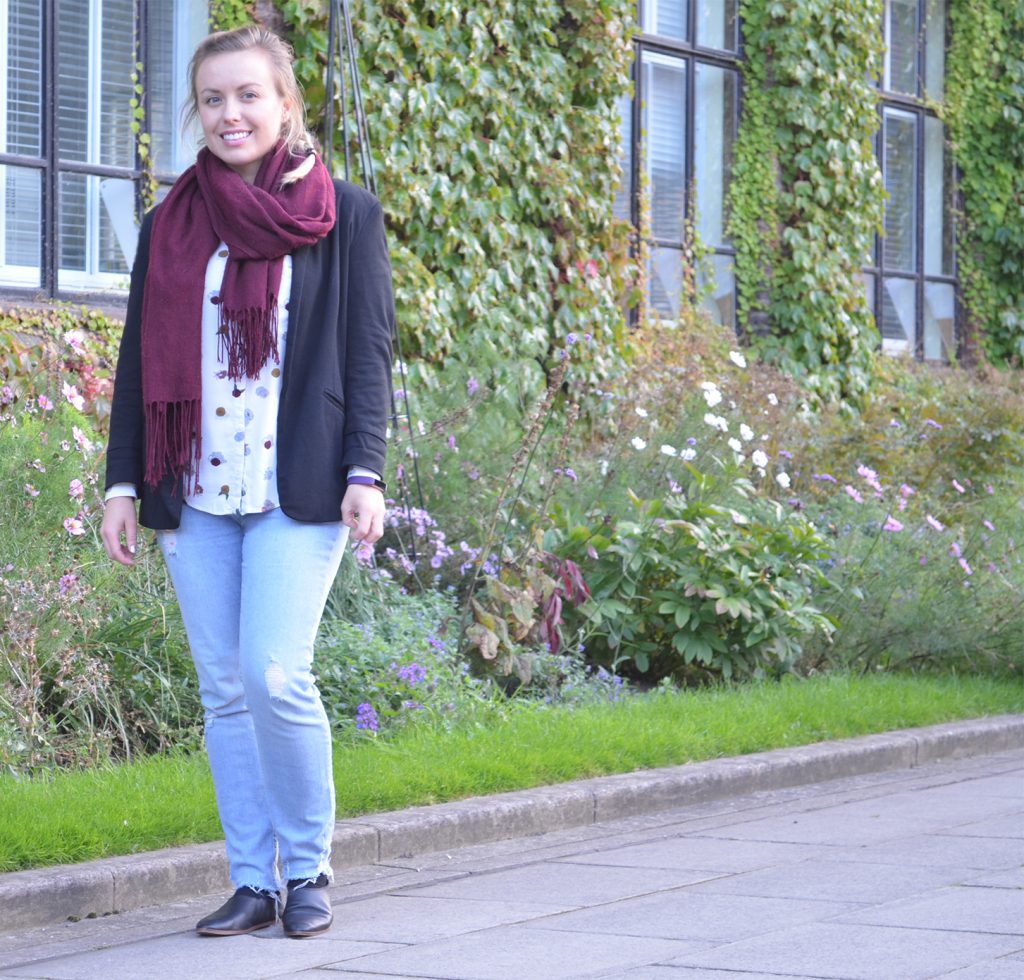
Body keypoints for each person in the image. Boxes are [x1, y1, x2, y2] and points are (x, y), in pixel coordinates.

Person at [100, 24, 394, 939]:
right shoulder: (169, 225)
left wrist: (366, 470)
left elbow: (368, 350)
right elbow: (136, 367)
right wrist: (120, 486)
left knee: (275, 673)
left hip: (297, 489)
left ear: (285, 102)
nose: (232, 114)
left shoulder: (343, 214)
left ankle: (307, 868)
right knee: (224, 689)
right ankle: (250, 881)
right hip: (194, 491)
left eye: (248, 96)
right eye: (215, 98)